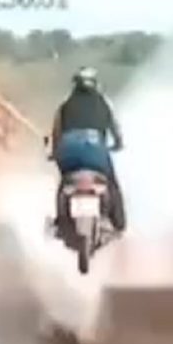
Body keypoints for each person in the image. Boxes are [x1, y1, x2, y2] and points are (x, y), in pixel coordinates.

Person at [49, 66, 126, 235]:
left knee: (65, 182)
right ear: (95, 84)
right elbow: (115, 128)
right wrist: (119, 144)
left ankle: (60, 221)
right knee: (111, 183)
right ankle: (117, 222)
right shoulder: (104, 103)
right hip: (96, 150)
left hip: (69, 150)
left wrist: (54, 153)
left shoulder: (65, 105)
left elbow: (56, 133)